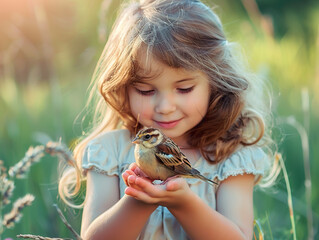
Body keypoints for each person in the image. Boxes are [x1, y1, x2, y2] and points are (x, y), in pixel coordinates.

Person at [59, 0, 278, 239]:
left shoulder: (231, 157)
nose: (165, 107)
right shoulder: (108, 152)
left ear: (215, 84)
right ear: (123, 88)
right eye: (145, 90)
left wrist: (184, 203)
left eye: (184, 89)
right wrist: (141, 200)